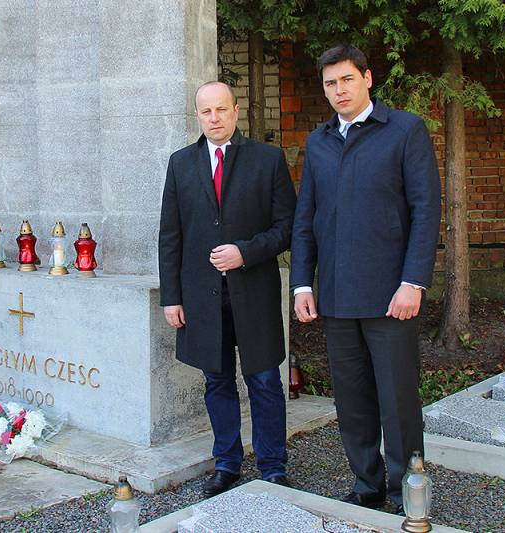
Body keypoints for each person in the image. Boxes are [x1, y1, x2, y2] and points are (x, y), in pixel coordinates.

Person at [290, 45, 441, 511]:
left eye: (347, 80)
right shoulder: (319, 142)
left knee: (398, 402)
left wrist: (413, 282)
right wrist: (302, 284)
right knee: (352, 402)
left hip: (391, 294)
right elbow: (306, 218)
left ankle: (406, 489)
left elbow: (425, 210)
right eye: (330, 83)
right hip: (336, 296)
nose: (339, 90)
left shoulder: (405, 131)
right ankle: (367, 485)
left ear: (368, 78)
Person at [159, 81, 297, 496]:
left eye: (221, 109)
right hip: (202, 297)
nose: (214, 118)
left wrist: (245, 252)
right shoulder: (181, 163)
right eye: (206, 111)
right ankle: (227, 463)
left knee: (265, 380)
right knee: (216, 381)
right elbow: (170, 236)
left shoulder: (267, 160)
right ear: (197, 116)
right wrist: (171, 297)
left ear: (236, 111)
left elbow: (287, 227)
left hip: (253, 292)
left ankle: (272, 465)